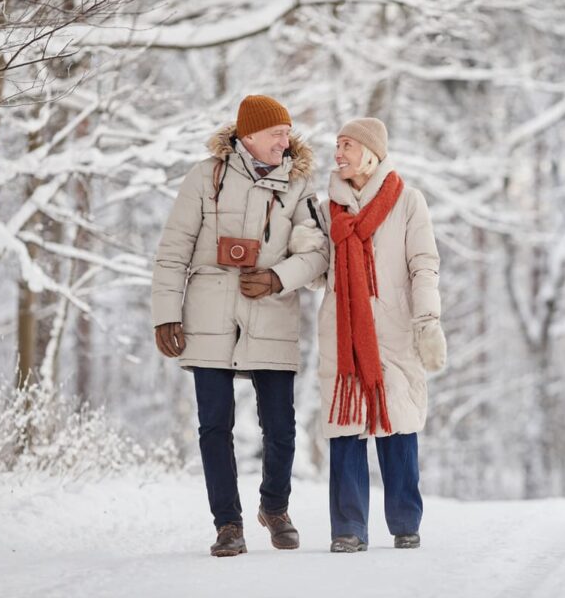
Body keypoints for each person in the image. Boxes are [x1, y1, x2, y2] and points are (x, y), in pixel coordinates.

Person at [151, 95, 328, 557]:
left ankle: (275, 506)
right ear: (247, 136)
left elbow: (316, 253)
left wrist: (276, 278)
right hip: (208, 315)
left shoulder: (300, 184)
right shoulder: (204, 178)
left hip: (271, 314)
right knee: (214, 426)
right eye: (276, 133)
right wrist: (166, 314)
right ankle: (228, 524)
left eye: (287, 133)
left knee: (281, 426)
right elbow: (173, 251)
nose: (284, 142)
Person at [316, 117, 447, 552]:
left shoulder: (408, 202)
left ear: (371, 152)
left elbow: (423, 264)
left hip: (393, 328)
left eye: (347, 145)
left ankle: (405, 521)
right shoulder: (326, 211)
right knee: (345, 425)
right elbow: (315, 266)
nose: (338, 154)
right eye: (337, 145)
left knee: (399, 424)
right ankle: (348, 529)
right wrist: (276, 275)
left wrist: (428, 321)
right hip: (343, 331)